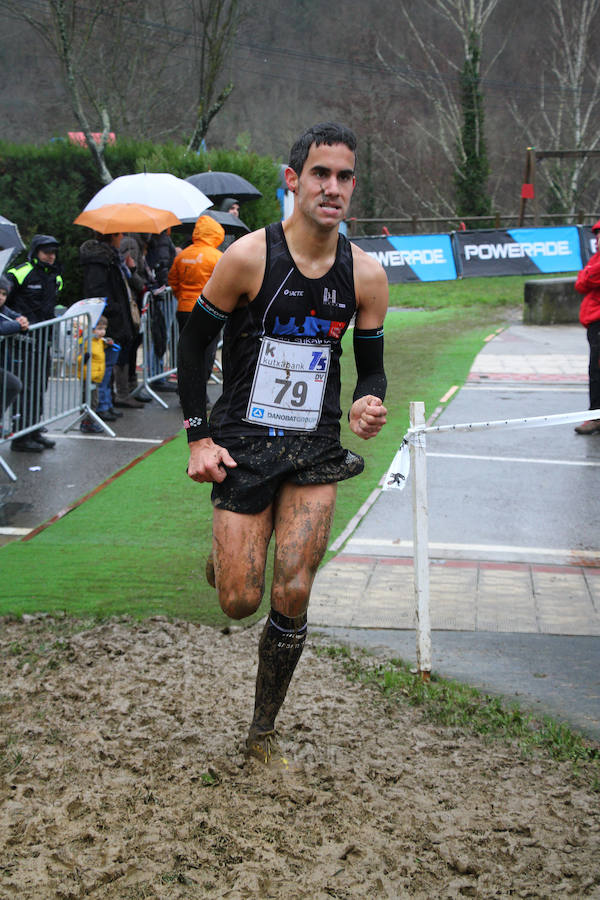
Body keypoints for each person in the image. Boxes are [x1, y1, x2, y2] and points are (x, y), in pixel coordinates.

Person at [178, 122, 388, 769]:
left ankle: (262, 732)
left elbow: (372, 366)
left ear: (353, 186)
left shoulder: (366, 274)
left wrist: (368, 398)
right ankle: (227, 557)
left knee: (292, 588)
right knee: (241, 600)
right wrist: (198, 436)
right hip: (243, 438)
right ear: (293, 180)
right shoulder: (247, 258)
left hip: (314, 445)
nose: (333, 187)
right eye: (320, 174)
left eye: (344, 176)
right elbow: (192, 344)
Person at [6, 234, 63, 451]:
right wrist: (16, 321)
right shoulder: (19, 272)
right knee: (25, 388)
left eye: (53, 252)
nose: (51, 256)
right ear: (36, 252)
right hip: (23, 341)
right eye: (46, 252)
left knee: (40, 386)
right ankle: (20, 436)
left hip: (43, 339)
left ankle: (34, 428)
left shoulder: (56, 276)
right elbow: (4, 301)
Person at [79, 231, 142, 415]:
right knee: (100, 368)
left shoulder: (113, 259)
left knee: (108, 367)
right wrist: (114, 308)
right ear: (112, 236)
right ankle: (97, 407)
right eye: (120, 234)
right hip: (106, 320)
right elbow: (96, 291)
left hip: (114, 319)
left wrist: (130, 269)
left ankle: (107, 403)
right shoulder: (99, 261)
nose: (122, 237)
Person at [169, 214, 225, 385]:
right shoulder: (217, 256)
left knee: (187, 351)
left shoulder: (183, 255)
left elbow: (173, 281)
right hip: (208, 310)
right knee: (207, 352)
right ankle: (199, 389)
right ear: (216, 234)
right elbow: (224, 284)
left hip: (184, 308)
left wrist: (182, 297)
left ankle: (185, 388)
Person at [574, 218, 600, 435]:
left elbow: (586, 280)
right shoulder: (595, 258)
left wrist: (587, 275)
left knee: (597, 369)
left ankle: (596, 415)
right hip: (593, 321)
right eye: (598, 235)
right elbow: (581, 282)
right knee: (595, 369)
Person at [0, 275, 28, 426]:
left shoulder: (3, 310)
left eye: (4, 294)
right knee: (13, 384)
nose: (1, 297)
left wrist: (22, 321)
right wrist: (18, 325)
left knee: (13, 385)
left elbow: (15, 317)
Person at [78, 314, 112, 434]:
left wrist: (108, 343)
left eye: (103, 329)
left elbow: (101, 349)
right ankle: (86, 422)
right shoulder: (86, 341)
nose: (102, 332)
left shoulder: (99, 341)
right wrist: (83, 358)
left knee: (94, 400)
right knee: (88, 400)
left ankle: (90, 421)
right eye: (99, 329)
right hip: (88, 375)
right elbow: (78, 357)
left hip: (96, 376)